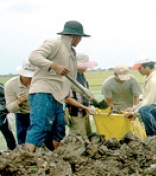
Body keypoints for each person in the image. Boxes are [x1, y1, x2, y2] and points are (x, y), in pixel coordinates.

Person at [26, 20, 92, 152]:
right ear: (74, 36)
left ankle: (55, 157)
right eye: (80, 38)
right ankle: (29, 158)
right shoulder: (54, 43)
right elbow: (34, 56)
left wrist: (86, 93)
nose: (80, 41)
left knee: (59, 128)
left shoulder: (72, 54)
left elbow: (72, 81)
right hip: (43, 90)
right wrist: (53, 66)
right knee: (40, 126)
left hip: (58, 95)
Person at [125, 55, 156, 138]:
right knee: (142, 110)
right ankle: (151, 137)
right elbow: (145, 98)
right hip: (153, 107)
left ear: (146, 66)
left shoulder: (154, 81)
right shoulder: (148, 78)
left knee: (144, 110)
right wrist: (134, 108)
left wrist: (134, 114)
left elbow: (148, 102)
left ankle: (155, 137)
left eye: (140, 68)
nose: (139, 70)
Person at [65, 52, 97, 137]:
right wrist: (85, 108)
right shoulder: (69, 77)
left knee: (88, 136)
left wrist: (90, 104)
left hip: (85, 112)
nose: (85, 68)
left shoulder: (82, 76)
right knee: (79, 139)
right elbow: (68, 99)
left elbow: (86, 93)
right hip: (75, 114)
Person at [4, 60, 37, 144]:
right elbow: (10, 109)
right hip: (22, 115)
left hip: (39, 114)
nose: (31, 79)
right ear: (22, 74)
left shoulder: (40, 82)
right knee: (23, 140)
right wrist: (18, 102)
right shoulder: (10, 85)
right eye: (28, 77)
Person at [0, 83, 16, 150]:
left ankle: (12, 148)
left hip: (1, 110)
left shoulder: (1, 87)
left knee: (3, 126)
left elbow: (8, 95)